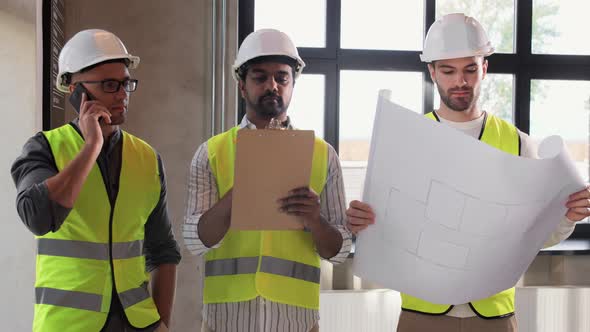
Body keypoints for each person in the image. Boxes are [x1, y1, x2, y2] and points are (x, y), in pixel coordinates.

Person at [346, 13, 590, 332]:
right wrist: (360, 223)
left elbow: (539, 236)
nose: (460, 81)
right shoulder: (404, 141)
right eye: (448, 70)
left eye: (470, 69)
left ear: (484, 68)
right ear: (432, 71)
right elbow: (384, 225)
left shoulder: (518, 144)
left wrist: (568, 217)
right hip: (423, 315)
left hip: (494, 316)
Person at [183, 28, 352, 332]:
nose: (272, 85)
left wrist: (314, 219)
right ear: (242, 87)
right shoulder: (211, 153)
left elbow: (339, 252)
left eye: (281, 78)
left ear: (292, 84)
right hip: (226, 320)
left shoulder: (323, 155)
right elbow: (196, 241)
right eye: (260, 77)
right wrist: (239, 194)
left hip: (296, 321)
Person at [11, 29, 181, 332]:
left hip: (138, 325)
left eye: (126, 83)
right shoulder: (45, 148)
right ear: (76, 90)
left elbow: (163, 251)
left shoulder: (146, 158)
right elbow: (38, 217)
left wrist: (162, 322)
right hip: (68, 325)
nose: (122, 94)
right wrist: (91, 146)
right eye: (110, 84)